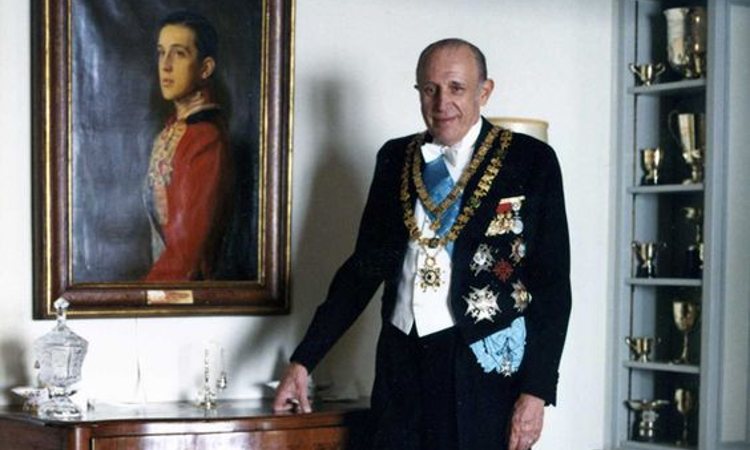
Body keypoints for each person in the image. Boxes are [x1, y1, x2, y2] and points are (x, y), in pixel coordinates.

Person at [274, 38, 571, 450]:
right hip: (401, 364)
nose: (441, 102)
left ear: (485, 91)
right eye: (429, 89)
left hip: (479, 373)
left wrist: (536, 392)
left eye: (456, 88)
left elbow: (553, 287)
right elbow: (363, 269)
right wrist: (304, 359)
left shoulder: (530, 160)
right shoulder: (395, 158)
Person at [143, 11, 232, 282]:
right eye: (161, 53)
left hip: (189, 292)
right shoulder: (172, 131)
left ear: (205, 68)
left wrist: (139, 296)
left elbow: (186, 255)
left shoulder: (204, 139)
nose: (165, 65)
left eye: (179, 54)